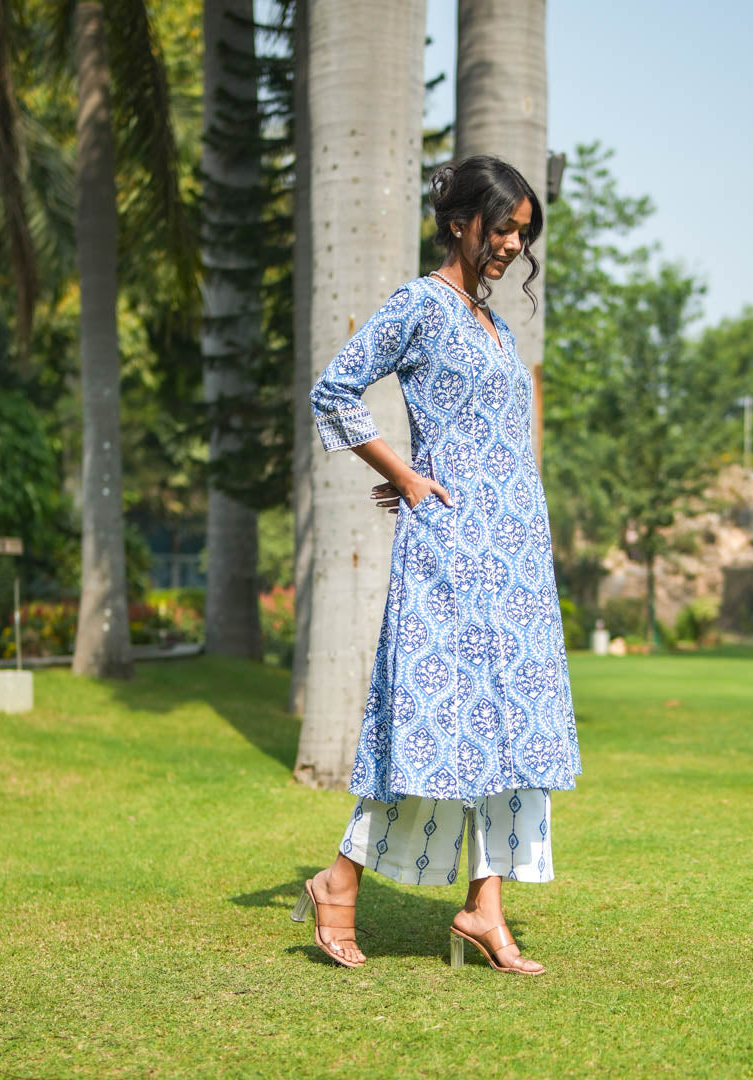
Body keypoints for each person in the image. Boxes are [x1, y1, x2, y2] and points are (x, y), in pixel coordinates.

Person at [291, 156, 581, 975]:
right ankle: (337, 879)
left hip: (517, 555)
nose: (514, 246)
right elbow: (336, 390)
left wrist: (433, 475)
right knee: (434, 723)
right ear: (460, 221)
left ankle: (485, 907)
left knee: (511, 727)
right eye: (504, 228)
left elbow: (491, 441)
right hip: (453, 553)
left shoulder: (497, 325)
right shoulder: (419, 304)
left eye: (524, 232)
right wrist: (406, 476)